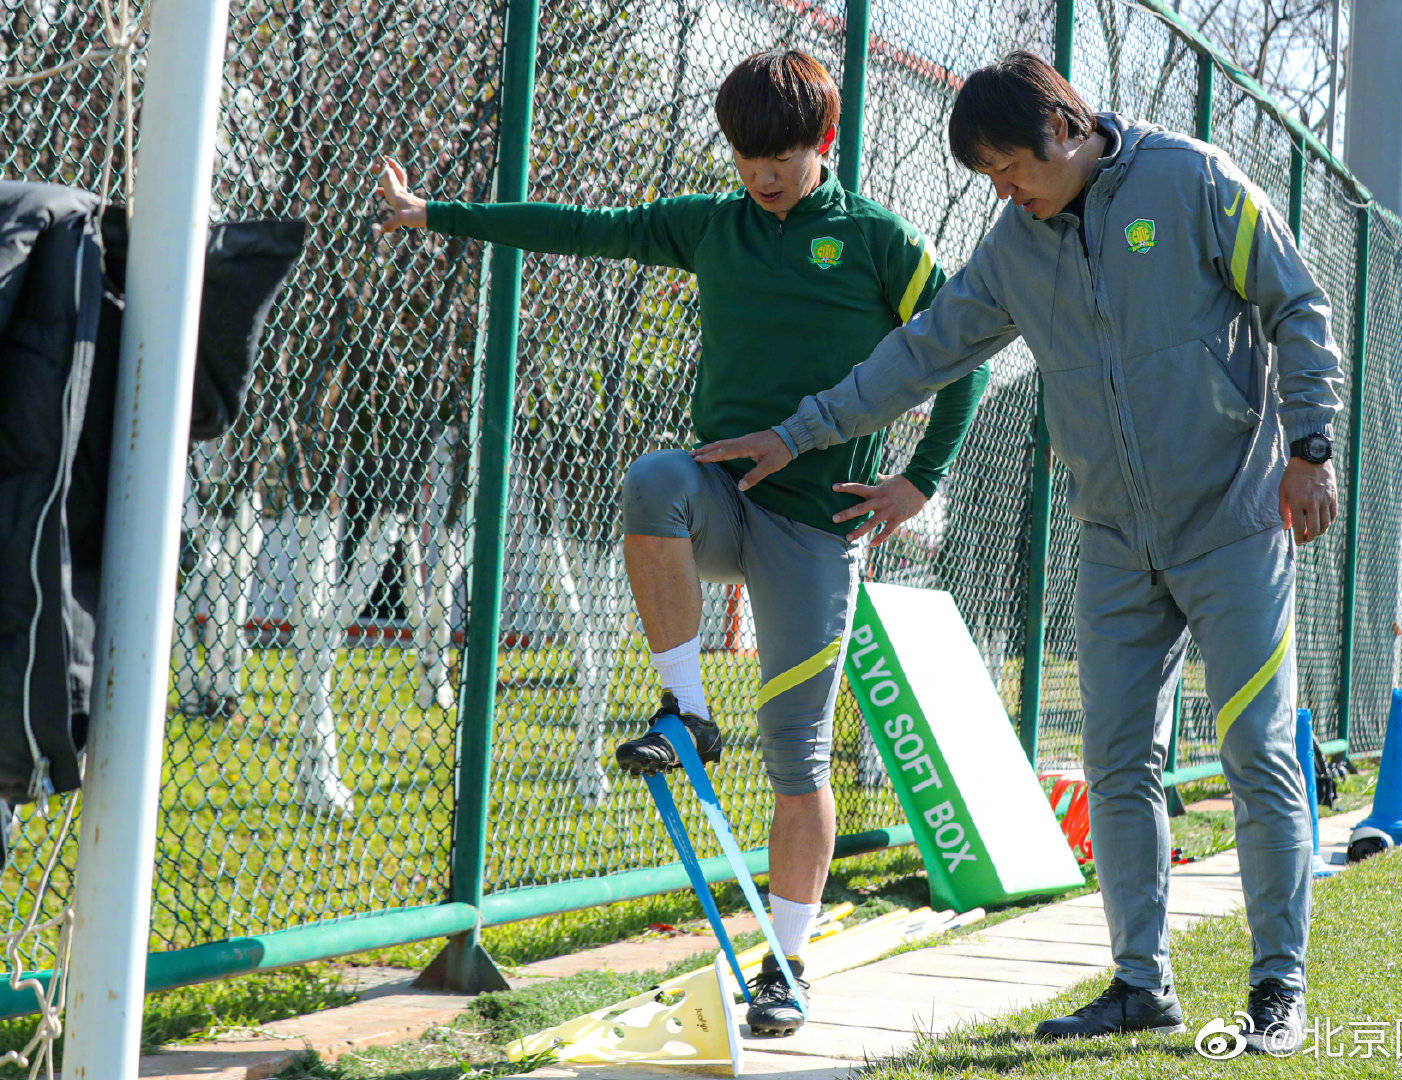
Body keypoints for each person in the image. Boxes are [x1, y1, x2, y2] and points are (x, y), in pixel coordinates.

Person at [693, 50, 1343, 1055]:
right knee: (1118, 762)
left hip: (1238, 519)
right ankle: (1140, 981)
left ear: (1067, 130)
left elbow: (1297, 304)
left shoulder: (1194, 180)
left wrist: (1311, 447)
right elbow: (919, 355)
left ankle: (1277, 990)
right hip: (1117, 538)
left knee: (1257, 749)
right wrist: (803, 429)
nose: (1005, 191)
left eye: (1010, 168)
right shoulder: (1014, 245)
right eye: (989, 177)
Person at [374, 49, 989, 1037]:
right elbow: (581, 230)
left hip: (816, 528)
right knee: (654, 478)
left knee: (798, 763)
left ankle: (785, 966)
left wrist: (921, 478)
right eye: (748, 157)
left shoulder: (877, 241)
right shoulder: (713, 225)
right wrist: (439, 214)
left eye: (780, 157)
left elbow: (966, 348)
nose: (762, 177)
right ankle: (688, 711)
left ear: (821, 142)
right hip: (719, 500)